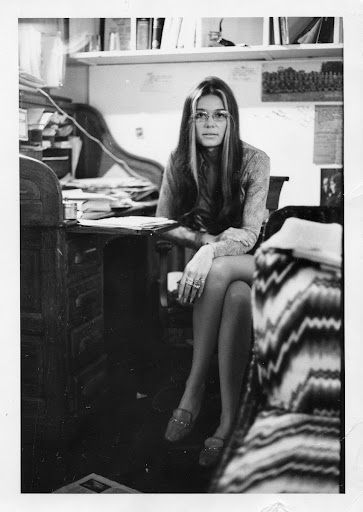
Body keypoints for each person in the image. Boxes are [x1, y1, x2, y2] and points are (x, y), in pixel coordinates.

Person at [156, 76, 270, 467]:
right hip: (228, 275)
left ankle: (192, 388)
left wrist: (209, 253)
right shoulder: (178, 161)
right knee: (236, 296)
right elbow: (165, 223)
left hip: (255, 262)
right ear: (189, 121)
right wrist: (207, 244)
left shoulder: (255, 160)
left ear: (230, 120)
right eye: (200, 115)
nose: (210, 123)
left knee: (221, 271)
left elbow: (252, 235)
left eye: (219, 115)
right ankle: (228, 420)